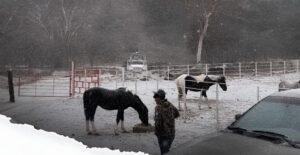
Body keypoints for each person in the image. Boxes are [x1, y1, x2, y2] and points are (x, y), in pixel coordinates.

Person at [153, 89, 180, 155]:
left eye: (155, 97)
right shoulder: (170, 105)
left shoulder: (158, 107)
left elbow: (158, 123)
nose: (154, 99)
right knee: (165, 151)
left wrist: (156, 131)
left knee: (164, 152)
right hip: (171, 134)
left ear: (159, 98)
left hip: (162, 134)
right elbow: (177, 114)